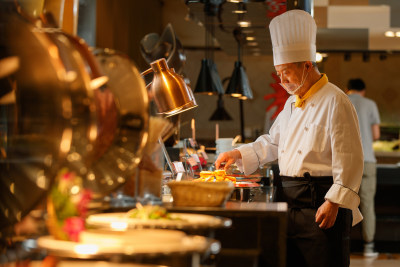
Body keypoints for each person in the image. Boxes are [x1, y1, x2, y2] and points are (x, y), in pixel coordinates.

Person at [215, 10, 364, 267]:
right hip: (290, 204)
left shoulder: (336, 100)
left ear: (307, 65)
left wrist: (334, 202)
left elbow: (349, 157)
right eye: (278, 74)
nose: (282, 80)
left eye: (286, 72)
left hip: (321, 204)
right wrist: (238, 153)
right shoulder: (291, 103)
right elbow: (274, 142)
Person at [347, 78, 381, 257]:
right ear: (364, 90)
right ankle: (369, 247)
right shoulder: (370, 104)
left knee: (341, 203)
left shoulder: (340, 100)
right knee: (367, 205)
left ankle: (342, 244)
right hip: (367, 160)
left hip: (344, 162)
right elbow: (376, 135)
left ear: (348, 89)